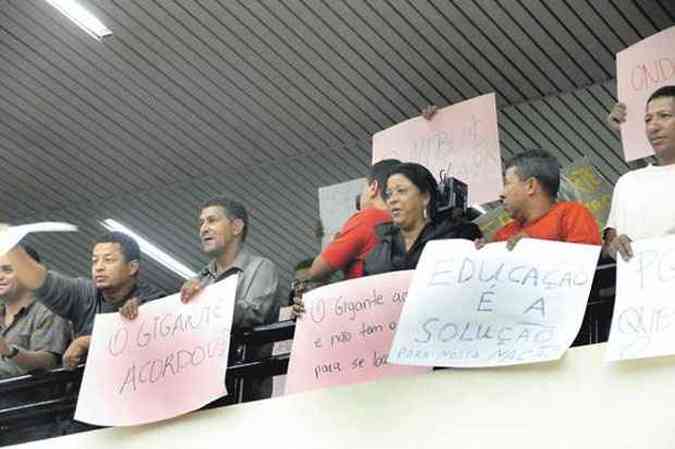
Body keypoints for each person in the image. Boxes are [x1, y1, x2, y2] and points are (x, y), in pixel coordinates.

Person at [4, 231, 163, 369]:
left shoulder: (157, 301)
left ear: (132, 267)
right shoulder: (84, 294)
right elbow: (45, 283)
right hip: (91, 396)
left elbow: (156, 343)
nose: (99, 267)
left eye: (108, 260)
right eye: (95, 261)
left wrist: (86, 342)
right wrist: (8, 243)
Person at [180, 197, 281, 402]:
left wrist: (204, 301)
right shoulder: (199, 279)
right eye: (201, 223)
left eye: (212, 220)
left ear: (236, 227)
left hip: (244, 391)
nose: (203, 229)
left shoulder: (261, 268)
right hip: (202, 393)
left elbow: (253, 315)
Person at [364, 162, 482, 275]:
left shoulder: (458, 237)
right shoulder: (378, 252)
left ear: (425, 197)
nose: (392, 199)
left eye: (401, 191)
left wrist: (483, 254)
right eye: (389, 194)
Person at [605, 85, 675, 261]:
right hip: (638, 285)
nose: (653, 127)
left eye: (664, 116)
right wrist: (615, 245)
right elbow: (610, 242)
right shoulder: (626, 183)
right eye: (647, 119)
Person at [304, 158, 401, 282]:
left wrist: (332, 243)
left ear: (373, 187)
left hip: (368, 298)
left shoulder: (366, 220)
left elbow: (316, 273)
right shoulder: (407, 220)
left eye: (363, 188)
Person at [492, 149, 602, 249]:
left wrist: (535, 248)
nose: (501, 194)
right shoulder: (503, 234)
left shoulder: (571, 215)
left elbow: (584, 263)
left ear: (530, 186)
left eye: (507, 184)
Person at [0, 246, 70, 379]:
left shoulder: (50, 311)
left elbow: (48, 363)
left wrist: (10, 351)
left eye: (7, 270)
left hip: (28, 396)